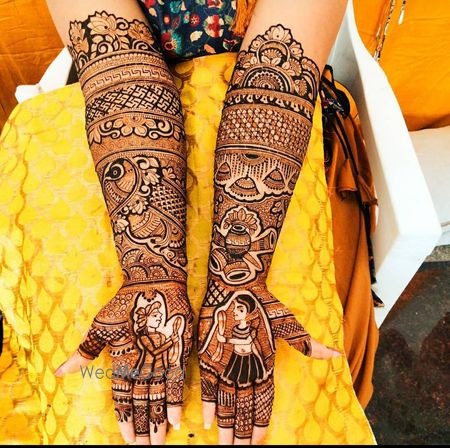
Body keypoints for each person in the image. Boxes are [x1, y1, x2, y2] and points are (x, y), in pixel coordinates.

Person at [48, 0, 348, 444]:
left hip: (272, 136)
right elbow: (114, 53)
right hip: (118, 125)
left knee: (299, 405)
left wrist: (239, 278)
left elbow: (279, 66)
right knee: (83, 407)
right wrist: (151, 271)